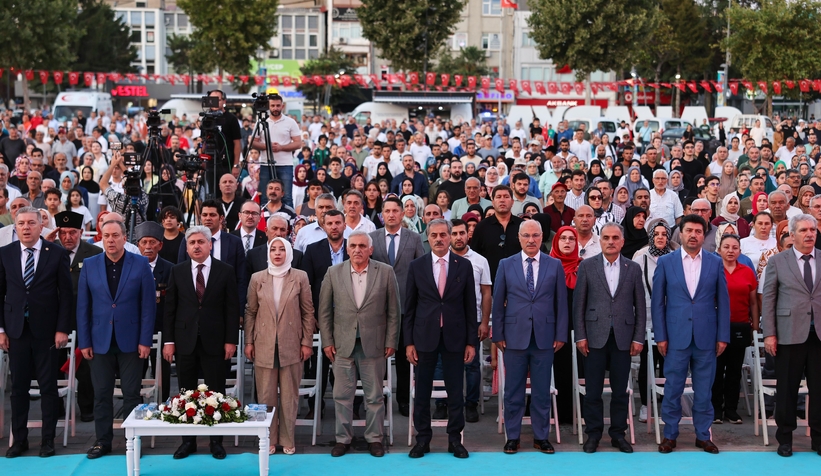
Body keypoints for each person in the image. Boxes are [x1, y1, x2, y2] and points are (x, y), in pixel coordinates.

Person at [76, 219, 156, 459]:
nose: (110, 240)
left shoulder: (140, 264)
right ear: (101, 238)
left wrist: (145, 341)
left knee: (131, 393)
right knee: (101, 394)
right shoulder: (90, 265)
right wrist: (84, 342)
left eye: (115, 235)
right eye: (106, 236)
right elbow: (83, 306)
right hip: (99, 340)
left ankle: (133, 441)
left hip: (132, 340)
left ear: (124, 238)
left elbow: (148, 306)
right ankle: (103, 441)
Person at [651, 214, 731, 454]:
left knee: (704, 390)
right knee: (673, 388)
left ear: (704, 235)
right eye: (689, 230)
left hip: (707, 336)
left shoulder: (715, 262)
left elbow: (723, 302)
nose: (693, 235)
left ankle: (703, 435)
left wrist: (723, 336)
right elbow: (658, 303)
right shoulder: (666, 262)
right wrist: (660, 336)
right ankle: (670, 435)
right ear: (681, 233)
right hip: (675, 336)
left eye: (698, 231)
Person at [318, 231, 400, 457]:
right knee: (342, 396)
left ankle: (375, 439)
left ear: (370, 249)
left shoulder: (385, 272)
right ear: (347, 249)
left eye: (362, 246)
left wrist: (391, 340)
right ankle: (342, 439)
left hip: (374, 344)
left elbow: (394, 311)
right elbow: (324, 311)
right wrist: (327, 341)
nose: (357, 250)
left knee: (374, 396)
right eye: (353, 245)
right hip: (342, 345)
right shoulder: (334, 272)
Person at [0, 207, 72, 458]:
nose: (26, 227)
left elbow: (66, 295)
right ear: (15, 227)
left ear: (42, 226)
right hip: (16, 330)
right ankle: (19, 441)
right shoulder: (5, 253)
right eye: (21, 223)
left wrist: (62, 329)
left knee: (48, 388)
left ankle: (47, 441)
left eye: (31, 223)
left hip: (47, 331)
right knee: (18, 389)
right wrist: (1, 330)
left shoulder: (57, 254)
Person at [163, 226, 240, 460]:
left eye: (200, 242)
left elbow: (232, 309)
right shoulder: (177, 271)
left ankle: (216, 442)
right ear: (186, 248)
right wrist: (169, 341)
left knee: (216, 391)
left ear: (210, 245)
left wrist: (231, 341)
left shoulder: (225, 270)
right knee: (186, 392)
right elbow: (170, 309)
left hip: (215, 341)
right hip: (184, 341)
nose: (196, 246)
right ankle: (188, 442)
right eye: (192, 243)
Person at [493, 219, 568, 455]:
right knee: (513, 391)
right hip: (514, 337)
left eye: (535, 235)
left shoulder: (554, 265)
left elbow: (561, 303)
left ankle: (541, 437)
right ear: (519, 238)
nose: (531, 240)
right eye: (526, 235)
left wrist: (561, 334)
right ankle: (512, 437)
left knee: (541, 391)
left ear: (542, 237)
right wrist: (498, 334)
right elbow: (498, 303)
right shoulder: (506, 264)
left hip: (545, 337)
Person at [405, 219, 477, 459]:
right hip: (424, 338)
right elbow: (410, 307)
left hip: (455, 338)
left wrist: (471, 342)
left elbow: (470, 307)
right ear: (427, 238)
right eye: (434, 235)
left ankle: (455, 440)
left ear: (450, 236)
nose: (439, 239)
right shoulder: (416, 266)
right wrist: (409, 342)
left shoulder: (463, 266)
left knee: (455, 392)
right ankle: (422, 440)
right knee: (422, 392)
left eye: (443, 235)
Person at [574, 222, 646, 453]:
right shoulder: (587, 266)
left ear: (622, 242)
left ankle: (618, 434)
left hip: (623, 338)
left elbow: (640, 306)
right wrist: (580, 336)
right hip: (594, 336)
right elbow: (579, 305)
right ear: (600, 240)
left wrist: (638, 338)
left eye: (615, 238)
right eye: (606, 238)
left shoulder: (633, 268)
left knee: (620, 391)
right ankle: (593, 435)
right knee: (593, 391)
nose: (611, 242)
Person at [245, 237, 314, 455]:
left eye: (282, 249)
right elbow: (250, 312)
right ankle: (268, 438)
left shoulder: (300, 277)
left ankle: (287, 438)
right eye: (273, 249)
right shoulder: (257, 278)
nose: (277, 253)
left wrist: (307, 342)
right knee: (265, 394)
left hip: (291, 343)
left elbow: (308, 312)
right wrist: (249, 341)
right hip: (264, 343)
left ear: (289, 253)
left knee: (289, 395)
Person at [761, 214, 821, 457]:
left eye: (812, 230)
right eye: (804, 230)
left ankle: (818, 439)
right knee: (787, 389)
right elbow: (769, 299)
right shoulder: (777, 261)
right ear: (792, 235)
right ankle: (785, 439)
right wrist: (769, 334)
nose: (809, 234)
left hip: (819, 335)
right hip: (788, 334)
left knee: (819, 390)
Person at [368, 196, 425, 417]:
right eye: (387, 211)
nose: (391, 214)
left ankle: (403, 399)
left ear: (402, 214)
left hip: (405, 307)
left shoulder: (414, 238)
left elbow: (421, 271)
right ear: (382, 215)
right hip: (377, 307)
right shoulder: (372, 238)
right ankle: (378, 399)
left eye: (395, 211)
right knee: (378, 357)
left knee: (403, 357)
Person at [302, 209, 348, 418]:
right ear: (324, 226)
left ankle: (350, 409)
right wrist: (312, 316)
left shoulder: (354, 247)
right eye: (330, 223)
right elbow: (306, 286)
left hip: (349, 318)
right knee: (318, 365)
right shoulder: (313, 250)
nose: (334, 227)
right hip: (321, 318)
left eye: (338, 223)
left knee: (348, 365)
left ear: (344, 225)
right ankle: (315, 407)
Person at [712, 233, 758, 425]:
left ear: (740, 251)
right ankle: (715, 409)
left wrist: (755, 326)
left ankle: (731, 409)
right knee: (716, 369)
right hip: (716, 327)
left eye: (735, 247)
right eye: (726, 247)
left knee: (734, 370)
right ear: (719, 249)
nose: (730, 251)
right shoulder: (712, 270)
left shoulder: (747, 271)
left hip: (740, 325)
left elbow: (753, 302)